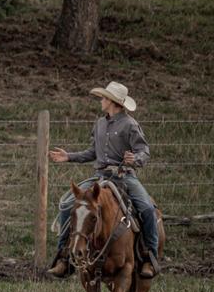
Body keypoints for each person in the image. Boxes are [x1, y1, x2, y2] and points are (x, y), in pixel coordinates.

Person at [47, 81, 160, 279]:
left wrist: (136, 159)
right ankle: (64, 258)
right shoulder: (99, 123)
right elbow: (92, 152)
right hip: (100, 177)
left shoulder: (131, 125)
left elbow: (144, 152)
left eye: (104, 98)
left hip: (124, 177)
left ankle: (150, 257)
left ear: (113, 102)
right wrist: (69, 156)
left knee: (148, 209)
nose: (101, 101)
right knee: (66, 205)